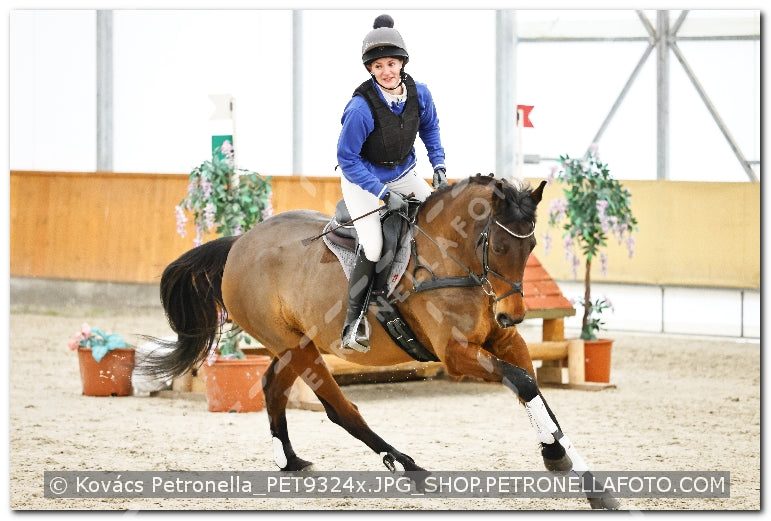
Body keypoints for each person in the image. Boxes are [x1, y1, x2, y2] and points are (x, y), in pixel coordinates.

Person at [337, 14, 448, 352]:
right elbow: (347, 160)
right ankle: (353, 323)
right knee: (373, 245)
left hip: (406, 175)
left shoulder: (420, 93)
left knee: (439, 222)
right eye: (378, 65)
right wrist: (383, 194)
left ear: (401, 62)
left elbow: (429, 129)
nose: (386, 70)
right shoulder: (360, 108)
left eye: (391, 63)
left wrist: (439, 163)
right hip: (362, 183)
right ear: (370, 69)